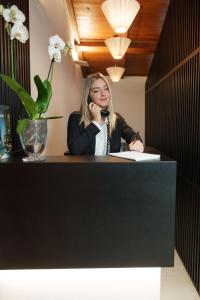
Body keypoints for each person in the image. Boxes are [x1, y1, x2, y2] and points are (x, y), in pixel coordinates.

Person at [67, 73, 144, 155]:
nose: (103, 94)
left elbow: (133, 136)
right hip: (86, 168)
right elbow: (74, 150)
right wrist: (96, 123)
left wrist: (138, 143)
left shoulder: (116, 118)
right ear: (89, 96)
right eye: (96, 91)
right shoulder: (76, 118)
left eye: (106, 89)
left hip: (110, 168)